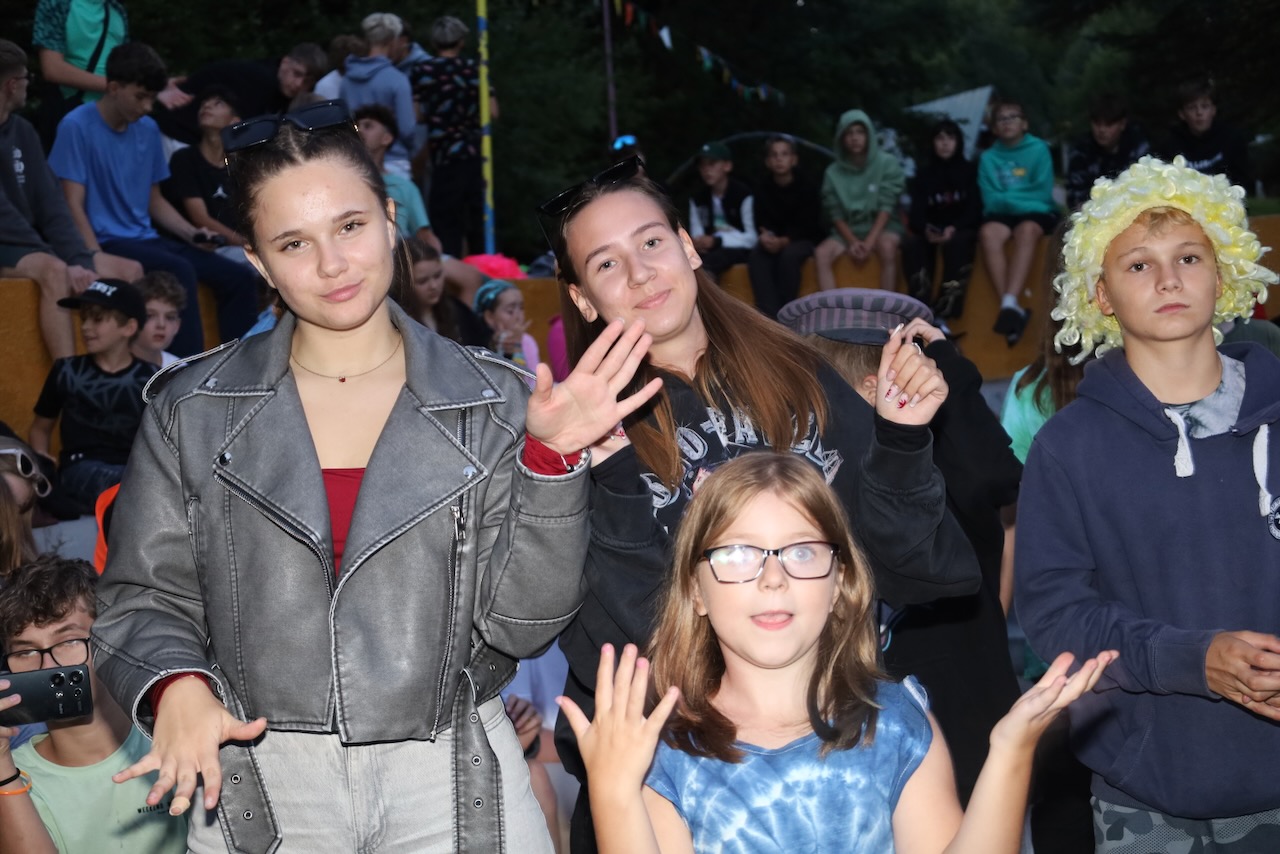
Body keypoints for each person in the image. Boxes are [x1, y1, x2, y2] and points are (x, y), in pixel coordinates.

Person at [89, 99, 661, 853]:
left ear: (391, 221)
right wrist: (175, 685)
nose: (332, 265)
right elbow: (139, 598)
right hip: (256, 781)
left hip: (453, 779)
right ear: (257, 262)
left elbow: (523, 625)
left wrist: (552, 464)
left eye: (350, 226)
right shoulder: (191, 409)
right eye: (294, 243)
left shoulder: (499, 401)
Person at [539, 157, 984, 851]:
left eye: (652, 242)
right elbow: (624, 645)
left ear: (688, 246)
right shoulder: (579, 431)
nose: (641, 273)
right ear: (583, 298)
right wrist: (607, 473)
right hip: (665, 785)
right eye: (606, 263)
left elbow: (921, 570)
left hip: (833, 761)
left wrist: (900, 441)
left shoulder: (799, 374)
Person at [559, 452, 1114, 853]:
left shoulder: (893, 723)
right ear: (695, 590)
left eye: (802, 552)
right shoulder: (665, 749)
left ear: (839, 584)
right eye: (738, 554)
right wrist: (612, 791)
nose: (773, 578)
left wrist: (1011, 749)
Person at [1015, 155, 1280, 850]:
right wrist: (1188, 659)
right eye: (1138, 265)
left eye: (1189, 257)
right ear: (1100, 294)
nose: (1168, 279)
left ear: (1223, 273)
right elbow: (1054, 614)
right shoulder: (1067, 447)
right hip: (1145, 792)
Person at [779, 289, 1022, 805]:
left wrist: (950, 370)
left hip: (957, 728)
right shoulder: (801, 482)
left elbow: (997, 476)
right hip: (848, 736)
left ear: (874, 390)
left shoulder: (941, 461)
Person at [48, 42, 260, 356]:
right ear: (114, 88)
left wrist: (192, 233)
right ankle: (184, 373)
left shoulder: (147, 129)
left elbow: (154, 201)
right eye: (141, 97)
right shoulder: (76, 126)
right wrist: (92, 255)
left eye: (152, 97)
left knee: (238, 277)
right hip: (107, 240)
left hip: (148, 239)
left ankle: (241, 369)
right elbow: (71, 204)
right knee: (179, 270)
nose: (148, 106)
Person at [0, 554, 188, 853]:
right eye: (25, 652)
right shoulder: (12, 774)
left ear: (110, 639)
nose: (48, 666)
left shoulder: (173, 737)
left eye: (69, 641)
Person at [0, 38, 141, 359]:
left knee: (129, 270)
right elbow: (4, 216)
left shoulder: (23, 131)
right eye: (25, 78)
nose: (28, 85)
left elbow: (51, 205)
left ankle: (124, 376)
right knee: (54, 271)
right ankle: (66, 378)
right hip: (11, 242)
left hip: (25, 244)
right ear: (11, 85)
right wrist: (62, 262)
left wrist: (80, 260)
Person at [28, 278, 156, 515]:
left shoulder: (152, 378)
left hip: (134, 469)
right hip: (78, 468)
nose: (86, 327)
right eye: (84, 318)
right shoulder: (66, 371)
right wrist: (41, 469)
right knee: (131, 484)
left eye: (97, 319)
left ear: (129, 328)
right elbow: (40, 428)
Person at [978, 96, 1058, 347]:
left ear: (1024, 123)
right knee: (988, 233)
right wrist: (1018, 198)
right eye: (1001, 119)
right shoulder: (988, 158)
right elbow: (990, 199)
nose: (1007, 122)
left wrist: (1008, 198)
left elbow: (1041, 192)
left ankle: (1009, 305)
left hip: (1036, 210)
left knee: (1028, 229)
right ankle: (1011, 305)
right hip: (1002, 213)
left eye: (1013, 117)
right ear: (994, 127)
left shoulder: (1039, 149)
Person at [411, 15, 492, 257]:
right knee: (479, 219)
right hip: (475, 154)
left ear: (434, 42)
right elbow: (493, 110)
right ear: (461, 41)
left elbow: (417, 115)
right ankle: (484, 268)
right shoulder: (475, 69)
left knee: (445, 220)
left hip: (444, 155)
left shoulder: (423, 71)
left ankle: (450, 270)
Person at [147, 44, 326, 150]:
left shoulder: (279, 91)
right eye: (296, 74)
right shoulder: (260, 82)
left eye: (307, 81)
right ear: (285, 62)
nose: (298, 84)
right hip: (178, 133)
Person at [813, 109, 905, 293]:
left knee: (887, 248)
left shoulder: (887, 163)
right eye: (849, 133)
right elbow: (835, 213)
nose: (855, 138)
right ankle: (832, 308)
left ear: (869, 134)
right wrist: (853, 241)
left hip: (883, 228)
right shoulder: (832, 172)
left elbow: (887, 206)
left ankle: (887, 306)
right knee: (821, 254)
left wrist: (870, 241)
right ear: (841, 138)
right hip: (849, 230)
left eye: (860, 132)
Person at [902, 118, 982, 319]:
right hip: (931, 230)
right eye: (939, 138)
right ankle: (920, 308)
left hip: (960, 229)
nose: (945, 143)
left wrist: (954, 228)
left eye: (950, 138)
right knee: (912, 245)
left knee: (958, 244)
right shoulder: (924, 174)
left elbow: (975, 210)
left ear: (958, 142)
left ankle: (947, 309)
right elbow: (916, 213)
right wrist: (926, 229)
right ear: (933, 143)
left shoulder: (970, 171)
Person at [163, 86, 251, 263]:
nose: (206, 106)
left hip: (238, 247)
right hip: (206, 247)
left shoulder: (239, 166)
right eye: (204, 103)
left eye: (218, 104)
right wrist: (248, 245)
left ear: (234, 121)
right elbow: (200, 218)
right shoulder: (185, 159)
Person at [746, 135, 823, 317]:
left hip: (802, 239)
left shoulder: (807, 186)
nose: (779, 159)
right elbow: (760, 220)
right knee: (757, 257)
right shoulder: (762, 187)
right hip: (773, 239)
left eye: (784, 154)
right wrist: (765, 236)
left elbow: (810, 224)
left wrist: (784, 241)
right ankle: (768, 317)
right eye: (774, 155)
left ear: (794, 159)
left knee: (789, 256)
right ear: (767, 162)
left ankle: (787, 314)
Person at [342, 13, 416, 178]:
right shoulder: (397, 79)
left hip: (357, 162)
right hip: (394, 162)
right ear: (392, 41)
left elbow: (344, 122)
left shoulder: (347, 79)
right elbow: (408, 129)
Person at [354, 104, 437, 246]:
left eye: (368, 126)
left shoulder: (404, 187)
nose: (360, 131)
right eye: (356, 127)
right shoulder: (343, 183)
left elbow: (425, 236)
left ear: (386, 138)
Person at [1156, 79, 1252, 194]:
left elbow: (1242, 182)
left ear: (1213, 110)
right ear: (1182, 114)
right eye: (1192, 107)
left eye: (1205, 106)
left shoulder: (1232, 139)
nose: (1199, 113)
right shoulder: (1169, 144)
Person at [393, 235, 487, 346]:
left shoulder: (458, 312)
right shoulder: (394, 322)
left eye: (437, 276)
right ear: (404, 283)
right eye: (422, 281)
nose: (433, 286)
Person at [1065, 94, 1149, 211]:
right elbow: (1075, 198)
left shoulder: (1138, 148)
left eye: (1108, 124)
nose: (1102, 130)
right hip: (1091, 214)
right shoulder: (1081, 151)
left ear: (1122, 124)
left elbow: (1147, 189)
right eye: (1097, 123)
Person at [686, 141, 756, 281]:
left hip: (737, 250)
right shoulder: (698, 199)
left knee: (710, 263)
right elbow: (697, 233)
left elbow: (752, 239)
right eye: (702, 165)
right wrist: (699, 242)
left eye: (712, 164)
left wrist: (717, 241)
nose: (707, 170)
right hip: (709, 250)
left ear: (727, 166)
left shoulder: (743, 194)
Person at [475, 278, 539, 371]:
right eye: (510, 311)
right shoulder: (478, 345)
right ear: (490, 317)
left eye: (521, 308)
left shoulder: (527, 341)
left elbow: (531, 378)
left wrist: (517, 348)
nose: (518, 317)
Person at [129, 270, 184, 367]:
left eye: (170, 317)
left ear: (177, 326)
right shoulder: (111, 365)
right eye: (150, 316)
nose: (161, 324)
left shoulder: (180, 369)